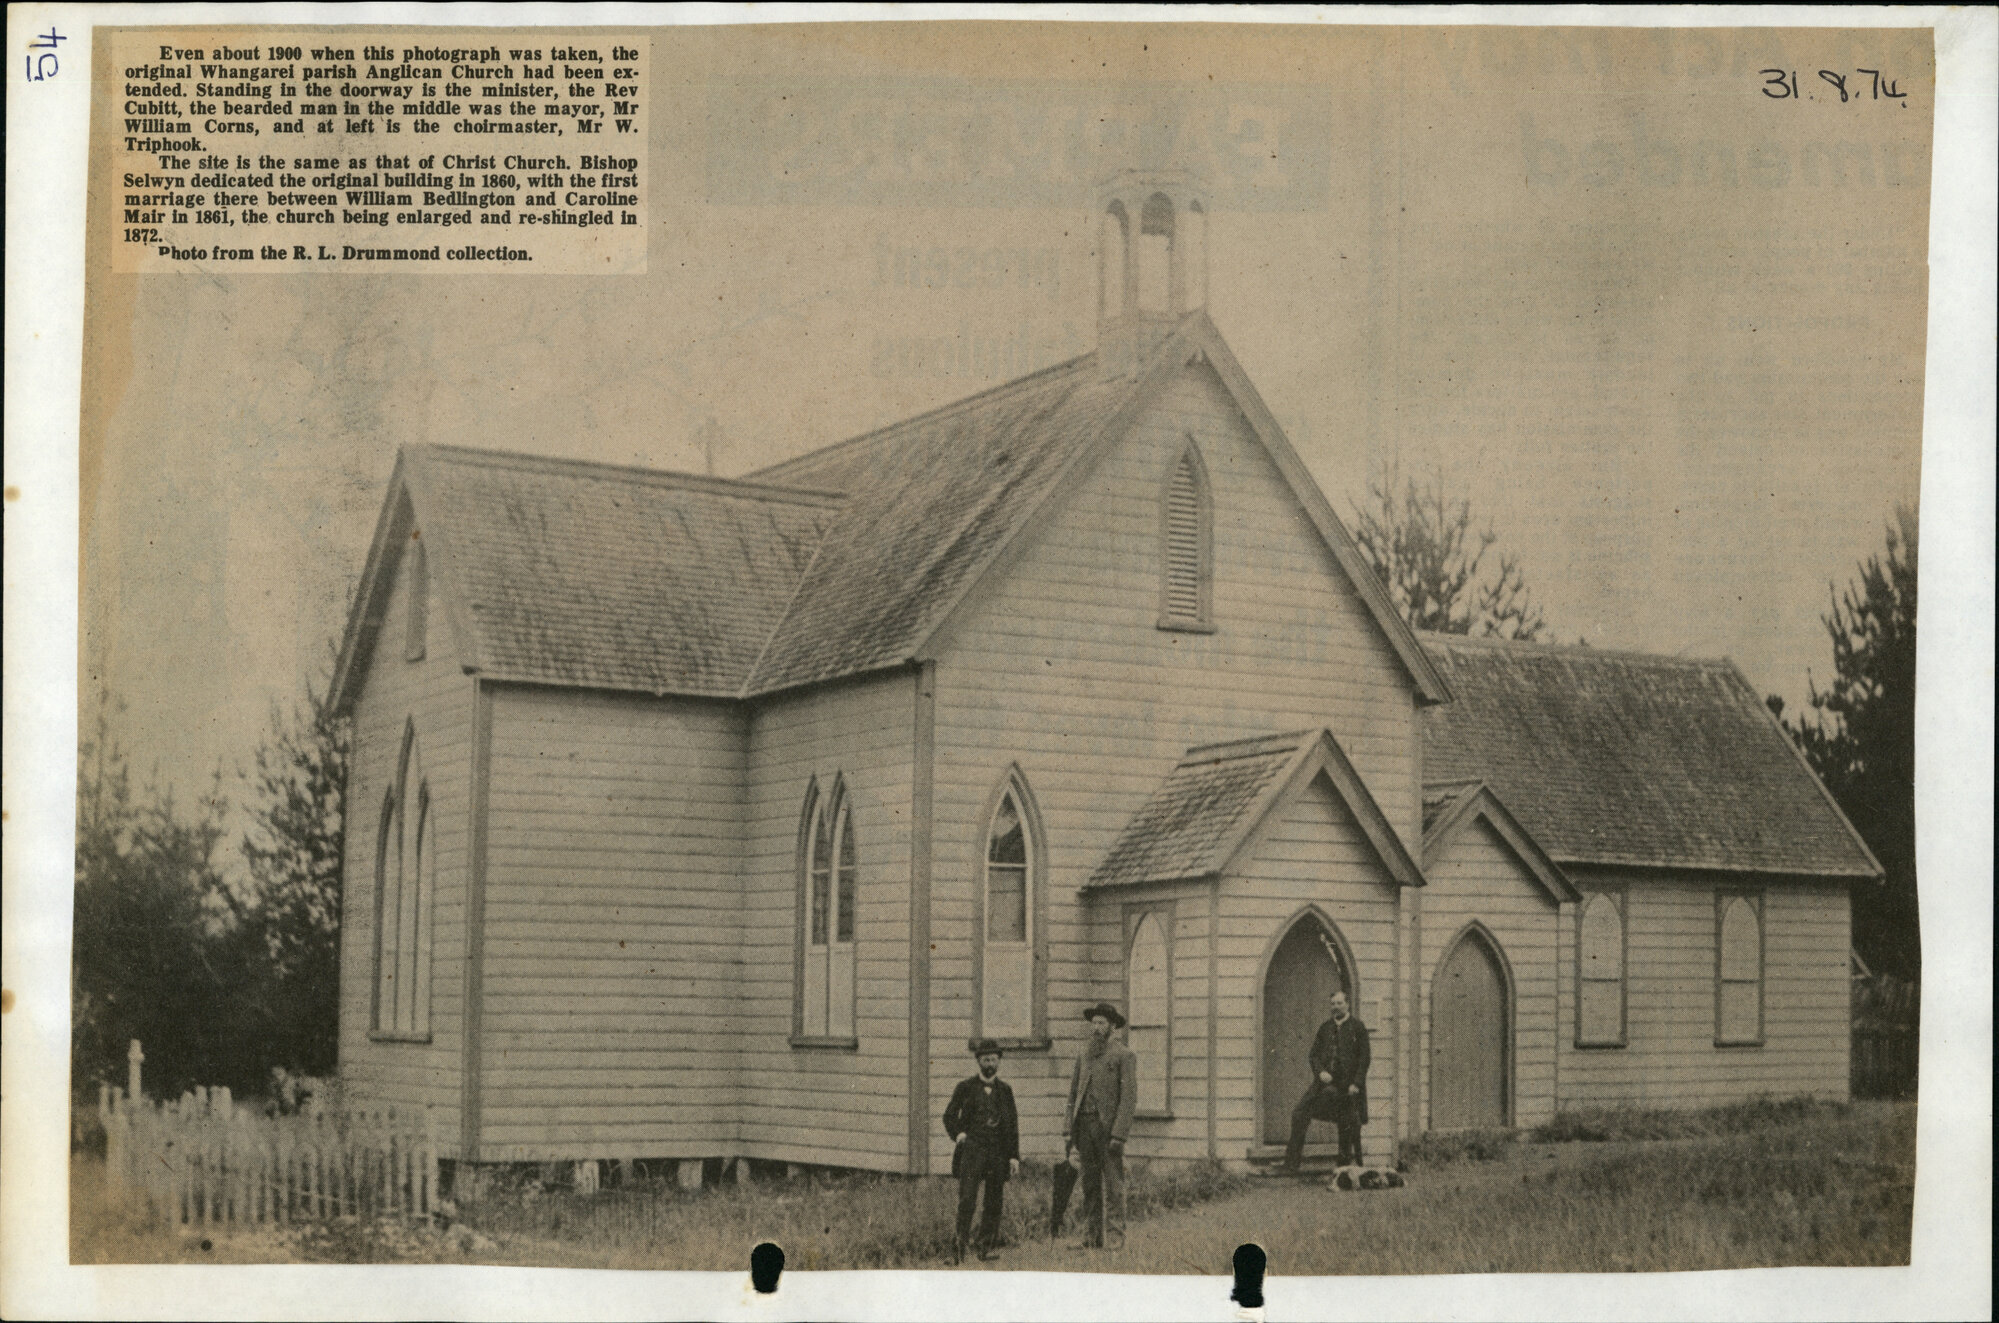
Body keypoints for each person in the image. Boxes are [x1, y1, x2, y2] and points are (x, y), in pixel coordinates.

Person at [1064, 1002, 1136, 1250]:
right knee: (1089, 1184)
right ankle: (1091, 1237)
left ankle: (1115, 1239)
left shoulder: (1123, 1056)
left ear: (1112, 1026)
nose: (1096, 1028)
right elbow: (1073, 1094)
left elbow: (1128, 1099)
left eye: (1101, 1023)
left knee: (1114, 1186)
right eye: (1093, 1023)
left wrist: (1119, 1134)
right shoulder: (1083, 1055)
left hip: (1108, 1131)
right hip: (1084, 1127)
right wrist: (1068, 1129)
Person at [943, 1038, 1020, 1263]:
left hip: (997, 1152)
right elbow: (949, 1116)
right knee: (967, 1199)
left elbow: (1012, 1126)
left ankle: (985, 1248)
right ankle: (958, 1252)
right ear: (978, 1061)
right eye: (986, 1059)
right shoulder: (965, 1088)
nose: (990, 1063)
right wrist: (959, 1134)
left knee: (994, 1201)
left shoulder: (1005, 1091)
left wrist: (1014, 1156)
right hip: (972, 1151)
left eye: (994, 1059)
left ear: (999, 1062)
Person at [1281, 987, 1371, 1173]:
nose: (1336, 1007)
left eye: (1339, 1003)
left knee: (1346, 1119)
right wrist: (1320, 1071)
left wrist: (1356, 1083)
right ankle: (1291, 1164)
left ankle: (1343, 1166)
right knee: (1299, 1113)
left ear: (1347, 1004)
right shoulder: (1325, 1028)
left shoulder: (1358, 1027)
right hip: (1324, 1085)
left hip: (1348, 1087)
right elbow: (1313, 1055)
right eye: (1333, 1004)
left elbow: (1364, 1058)